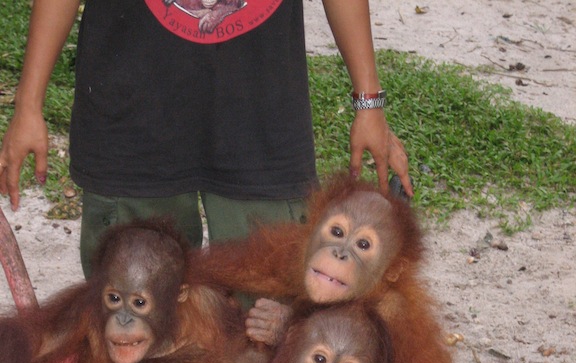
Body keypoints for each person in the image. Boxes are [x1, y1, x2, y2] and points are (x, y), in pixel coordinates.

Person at [0, 0, 412, 277]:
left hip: (260, 115)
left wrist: (369, 102)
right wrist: (28, 104)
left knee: (268, 319)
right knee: (133, 300)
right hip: (131, 113)